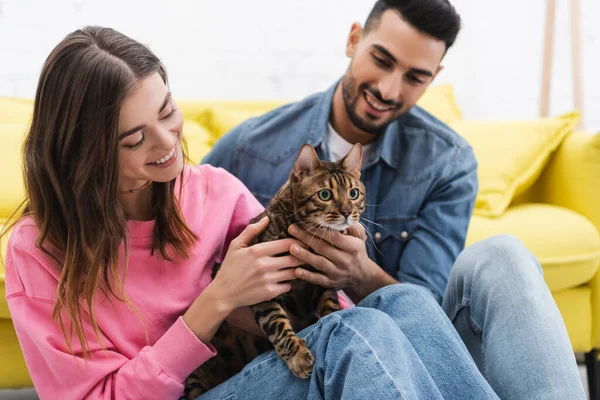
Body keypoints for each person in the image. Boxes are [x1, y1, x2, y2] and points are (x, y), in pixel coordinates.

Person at [2, 25, 507, 400]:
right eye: (135, 138)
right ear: (84, 152)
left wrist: (338, 271)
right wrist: (214, 303)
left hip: (267, 373)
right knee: (355, 336)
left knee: (407, 306)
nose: (167, 144)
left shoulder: (214, 192)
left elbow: (326, 313)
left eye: (167, 111)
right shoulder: (37, 251)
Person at [202, 0, 586, 398]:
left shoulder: (447, 161)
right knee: (359, 330)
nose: (388, 90)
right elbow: (183, 271)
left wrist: (358, 273)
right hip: (299, 358)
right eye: (382, 60)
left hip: (416, 348)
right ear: (354, 40)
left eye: (415, 77)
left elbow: (425, 313)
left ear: (434, 78)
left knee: (504, 255)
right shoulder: (251, 146)